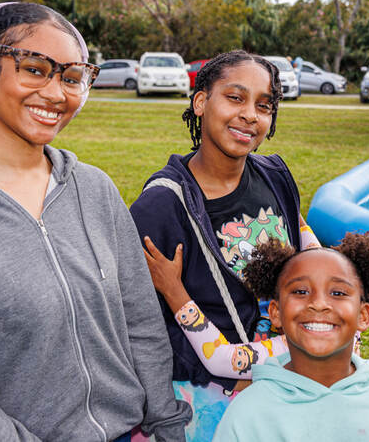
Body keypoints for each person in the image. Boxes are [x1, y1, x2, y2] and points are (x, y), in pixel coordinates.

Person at [0, 2, 190, 441]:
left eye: (70, 78)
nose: (55, 94)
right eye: (34, 68)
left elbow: (142, 326)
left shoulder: (96, 189)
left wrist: (166, 426)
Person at [130, 50, 320, 440]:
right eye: (235, 98)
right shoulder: (163, 204)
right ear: (201, 101)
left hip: (284, 376)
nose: (251, 114)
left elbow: (301, 237)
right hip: (207, 395)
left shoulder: (276, 175)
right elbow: (140, 323)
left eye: (264, 106)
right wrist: (231, 379)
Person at [212, 234, 369, 441]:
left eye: (338, 293)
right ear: (276, 313)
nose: (319, 304)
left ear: (363, 315)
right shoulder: (247, 415)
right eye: (301, 291)